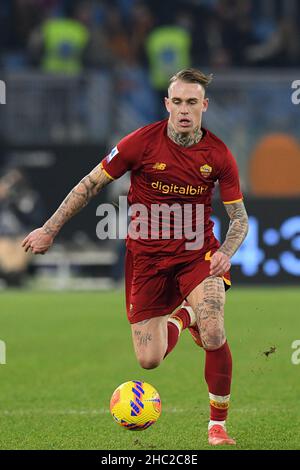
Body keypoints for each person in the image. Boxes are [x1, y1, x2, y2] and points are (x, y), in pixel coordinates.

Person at [22, 68, 249, 446]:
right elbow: (90, 184)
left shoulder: (219, 155)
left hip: (198, 255)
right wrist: (49, 228)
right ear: (166, 104)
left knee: (213, 329)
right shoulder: (140, 143)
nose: (184, 110)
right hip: (146, 261)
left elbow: (238, 217)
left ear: (204, 106)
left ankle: (217, 425)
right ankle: (184, 315)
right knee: (149, 360)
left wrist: (225, 253)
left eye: (192, 102)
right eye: (177, 102)